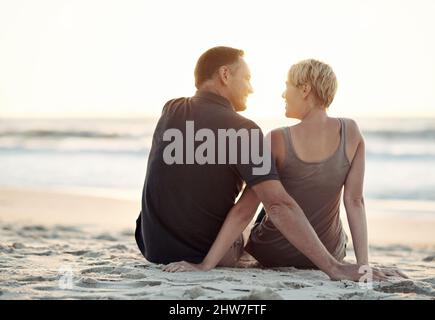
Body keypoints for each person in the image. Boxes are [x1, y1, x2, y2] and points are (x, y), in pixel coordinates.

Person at [137, 46, 389, 281]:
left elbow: (185, 179)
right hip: (211, 253)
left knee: (249, 200)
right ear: (225, 75)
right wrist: (340, 267)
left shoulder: (170, 110)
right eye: (246, 79)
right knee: (265, 197)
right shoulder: (245, 131)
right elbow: (283, 205)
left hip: (152, 246)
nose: (251, 88)